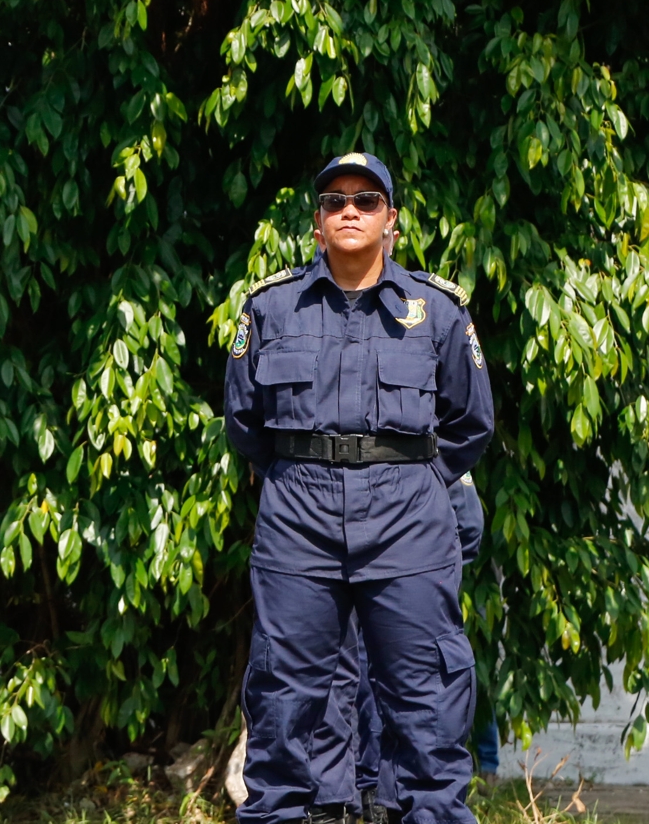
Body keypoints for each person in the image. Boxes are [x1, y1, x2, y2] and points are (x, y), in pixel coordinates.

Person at [224, 153, 493, 824]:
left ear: (391, 221)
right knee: (284, 702)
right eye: (335, 200)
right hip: (298, 519)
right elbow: (244, 423)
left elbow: (471, 422)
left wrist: (409, 480)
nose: (350, 210)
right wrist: (303, 472)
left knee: (427, 706)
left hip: (409, 519)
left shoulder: (436, 311)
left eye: (367, 200)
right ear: (316, 223)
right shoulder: (269, 306)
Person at [310, 474, 485, 824]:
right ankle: (363, 797)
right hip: (385, 559)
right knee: (356, 680)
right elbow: (468, 528)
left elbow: (466, 527)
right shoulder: (420, 438)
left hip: (384, 557)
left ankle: (355, 796)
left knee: (357, 680)